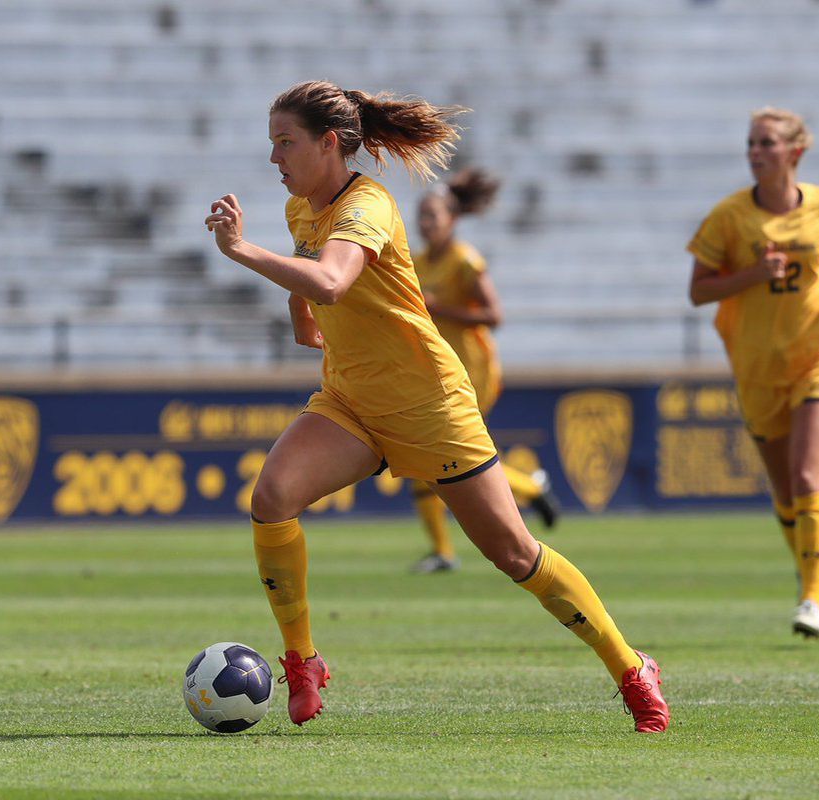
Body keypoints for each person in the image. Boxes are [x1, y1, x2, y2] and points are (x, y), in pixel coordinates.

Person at [204, 80, 668, 732]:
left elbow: (334, 279)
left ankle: (629, 666)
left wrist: (242, 253)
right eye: (271, 142)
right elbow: (313, 276)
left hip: (429, 405)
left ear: (330, 144)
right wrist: (298, 313)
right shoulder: (301, 210)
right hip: (352, 403)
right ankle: (303, 659)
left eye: (285, 142)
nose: (273, 157)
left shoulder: (367, 204)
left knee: (514, 555)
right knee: (271, 498)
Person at [687, 107, 819, 639]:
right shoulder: (729, 217)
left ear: (794, 151)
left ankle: (814, 597)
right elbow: (698, 290)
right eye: (750, 143)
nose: (755, 153)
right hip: (757, 366)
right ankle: (808, 570)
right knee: (786, 489)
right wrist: (750, 275)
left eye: (766, 143)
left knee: (810, 476)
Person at [410, 168, 560, 574]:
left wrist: (439, 308)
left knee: (447, 456)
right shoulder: (418, 262)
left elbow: (493, 315)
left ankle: (525, 491)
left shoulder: (465, 261)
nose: (425, 225)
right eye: (421, 217)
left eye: (433, 218)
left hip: (472, 371)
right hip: (437, 371)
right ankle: (527, 490)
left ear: (452, 221)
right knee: (424, 457)